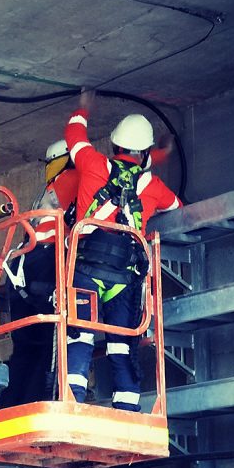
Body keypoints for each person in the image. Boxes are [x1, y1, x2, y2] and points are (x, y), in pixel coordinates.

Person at [64, 90, 182, 411]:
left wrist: (84, 109)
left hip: (86, 268)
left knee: (80, 336)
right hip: (124, 277)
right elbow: (177, 206)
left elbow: (73, 135)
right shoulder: (152, 187)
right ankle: (127, 409)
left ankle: (72, 402)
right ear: (144, 153)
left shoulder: (92, 163)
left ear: (114, 146)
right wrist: (158, 158)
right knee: (121, 344)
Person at [2, 140, 80, 407]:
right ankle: (38, 402)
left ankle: (13, 405)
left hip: (22, 269)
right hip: (45, 262)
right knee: (47, 342)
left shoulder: (46, 194)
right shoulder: (73, 178)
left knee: (25, 345)